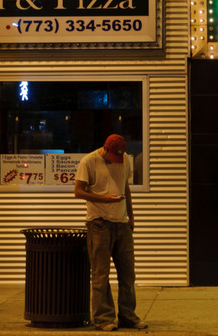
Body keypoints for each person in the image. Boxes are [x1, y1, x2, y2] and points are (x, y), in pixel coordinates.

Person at [73, 134, 147, 331]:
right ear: (105, 148)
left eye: (119, 157)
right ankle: (103, 318)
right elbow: (78, 191)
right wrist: (103, 198)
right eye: (113, 156)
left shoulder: (125, 160)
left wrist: (131, 216)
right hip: (99, 224)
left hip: (122, 223)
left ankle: (128, 316)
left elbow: (126, 188)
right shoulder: (89, 161)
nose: (116, 161)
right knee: (100, 274)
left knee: (128, 274)